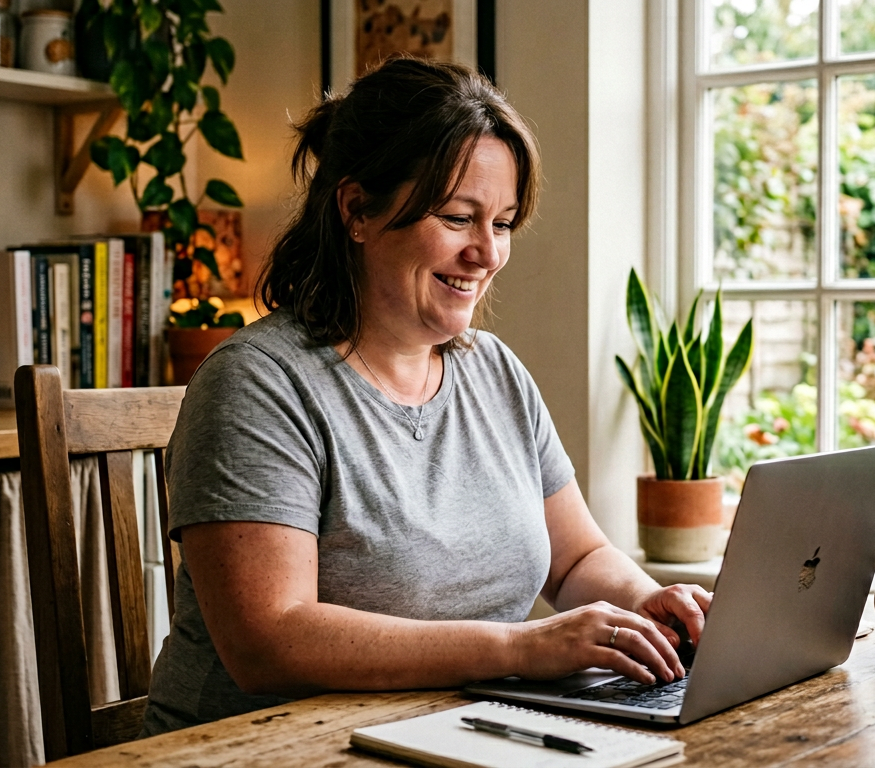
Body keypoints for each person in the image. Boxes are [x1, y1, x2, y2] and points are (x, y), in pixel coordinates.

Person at [141, 57, 713, 736]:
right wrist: (520, 649)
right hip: (262, 749)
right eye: (457, 218)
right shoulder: (257, 384)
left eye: (500, 224)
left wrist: (651, 607)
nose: (487, 253)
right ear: (356, 210)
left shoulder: (495, 372)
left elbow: (578, 559)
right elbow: (269, 640)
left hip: (461, 733)